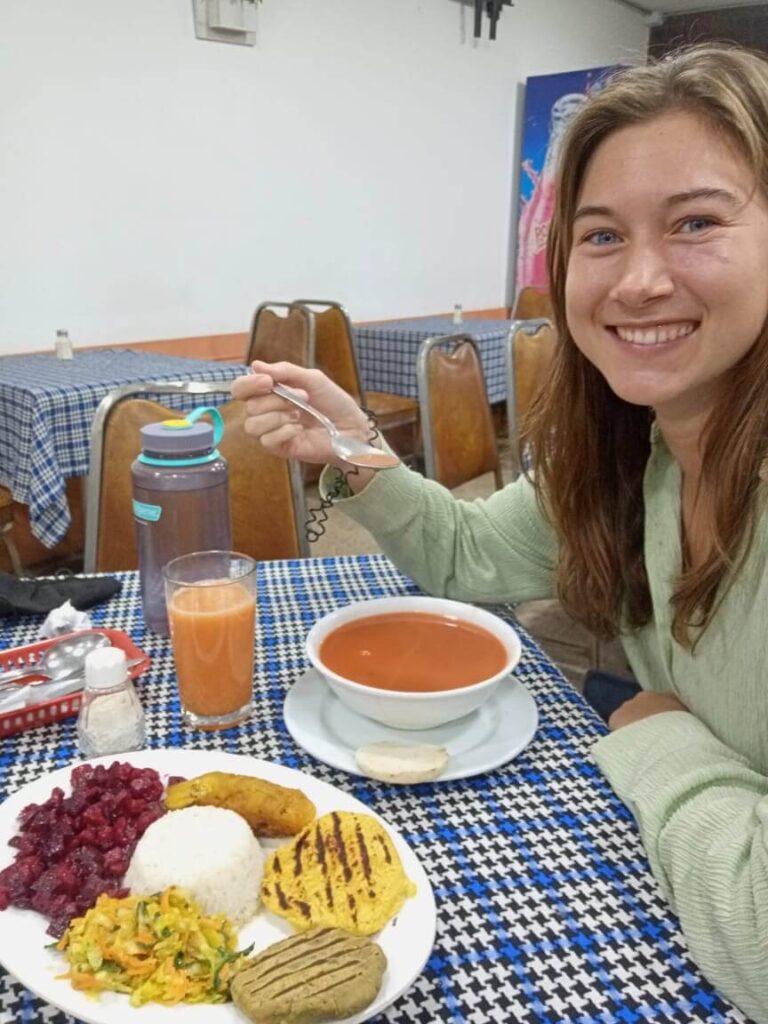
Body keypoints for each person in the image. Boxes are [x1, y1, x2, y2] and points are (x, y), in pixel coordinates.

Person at [232, 44, 768, 1022]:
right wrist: (357, 447)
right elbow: (471, 556)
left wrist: (664, 737)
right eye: (601, 237)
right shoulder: (632, 450)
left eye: (695, 222)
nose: (639, 280)